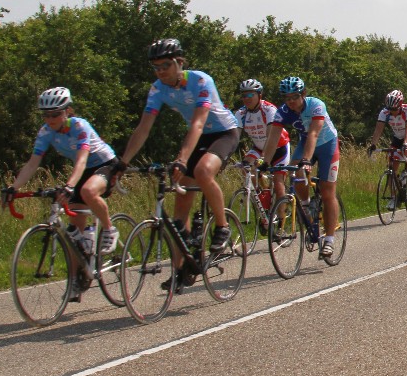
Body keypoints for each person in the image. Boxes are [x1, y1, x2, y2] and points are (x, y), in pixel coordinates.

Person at [119, 39, 241, 291]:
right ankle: (181, 268)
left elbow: (198, 123)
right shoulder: (157, 89)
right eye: (156, 67)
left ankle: (222, 226)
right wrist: (122, 162)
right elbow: (143, 128)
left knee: (203, 171)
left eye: (165, 65)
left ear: (179, 63)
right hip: (198, 137)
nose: (160, 71)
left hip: (223, 133)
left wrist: (183, 158)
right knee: (179, 212)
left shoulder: (200, 81)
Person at [2, 88, 122, 300]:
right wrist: (14, 187)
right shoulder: (45, 132)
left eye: (56, 114)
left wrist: (69, 186)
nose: (50, 119)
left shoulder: (79, 126)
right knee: (74, 230)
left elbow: (82, 160)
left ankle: (109, 229)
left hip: (105, 164)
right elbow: (33, 163)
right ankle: (77, 278)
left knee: (87, 191)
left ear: (67, 111)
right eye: (46, 115)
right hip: (83, 171)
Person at [267, 76, 341, 260]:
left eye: (294, 96)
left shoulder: (316, 105)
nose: (291, 101)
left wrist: (307, 159)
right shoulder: (283, 112)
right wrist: (264, 162)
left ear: (303, 94)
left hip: (327, 145)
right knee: (295, 172)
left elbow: (314, 133)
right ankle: (307, 206)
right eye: (287, 98)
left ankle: (329, 240)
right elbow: (273, 138)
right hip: (305, 143)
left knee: (327, 191)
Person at [233, 78, 289, 208]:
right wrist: (223, 157)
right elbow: (234, 137)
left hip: (279, 148)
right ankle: (262, 196)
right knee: (246, 169)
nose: (246, 98)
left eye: (250, 94)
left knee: (278, 184)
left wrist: (264, 157)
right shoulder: (241, 114)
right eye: (244, 95)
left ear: (259, 95)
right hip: (258, 147)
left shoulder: (269, 110)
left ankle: (281, 219)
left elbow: (270, 136)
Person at [366, 89, 407, 199]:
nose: (392, 112)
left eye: (394, 109)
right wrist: (373, 145)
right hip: (398, 138)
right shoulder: (384, 113)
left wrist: (406, 144)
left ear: (400, 105)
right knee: (391, 166)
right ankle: (393, 197)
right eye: (390, 109)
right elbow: (378, 130)